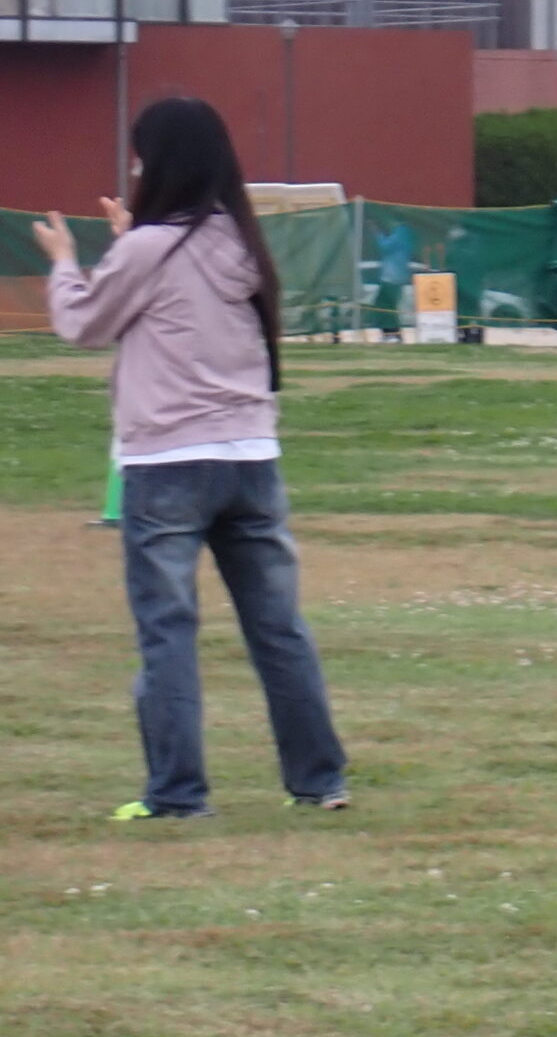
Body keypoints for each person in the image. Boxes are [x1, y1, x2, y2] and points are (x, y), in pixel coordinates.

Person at [36, 97, 348, 820]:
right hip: (252, 458)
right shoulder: (240, 243)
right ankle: (319, 779)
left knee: (168, 632)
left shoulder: (148, 249)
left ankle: (178, 793)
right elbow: (175, 288)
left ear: (162, 163)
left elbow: (85, 321)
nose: (136, 169)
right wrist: (129, 240)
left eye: (141, 157)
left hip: (169, 462)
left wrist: (65, 264)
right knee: (278, 629)